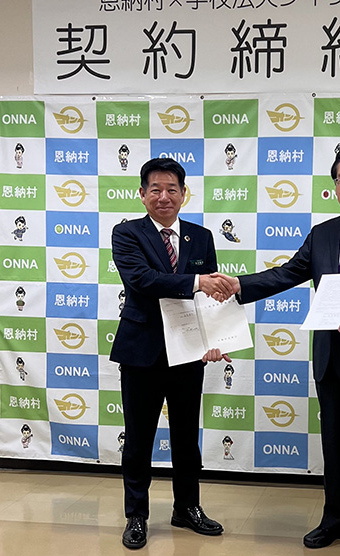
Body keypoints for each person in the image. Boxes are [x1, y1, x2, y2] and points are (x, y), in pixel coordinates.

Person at [217, 147, 340, 556]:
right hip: (331, 357)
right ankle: (336, 519)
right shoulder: (323, 233)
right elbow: (289, 272)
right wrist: (241, 285)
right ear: (334, 187)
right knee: (333, 446)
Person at [110, 157, 233, 550]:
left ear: (183, 194)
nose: (164, 197)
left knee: (185, 436)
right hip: (141, 352)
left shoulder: (201, 237)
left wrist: (217, 340)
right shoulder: (127, 233)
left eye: (172, 189)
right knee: (139, 439)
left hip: (189, 353)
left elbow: (211, 298)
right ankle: (136, 515)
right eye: (156, 189)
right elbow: (142, 280)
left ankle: (187, 507)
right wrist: (196, 280)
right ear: (142, 194)